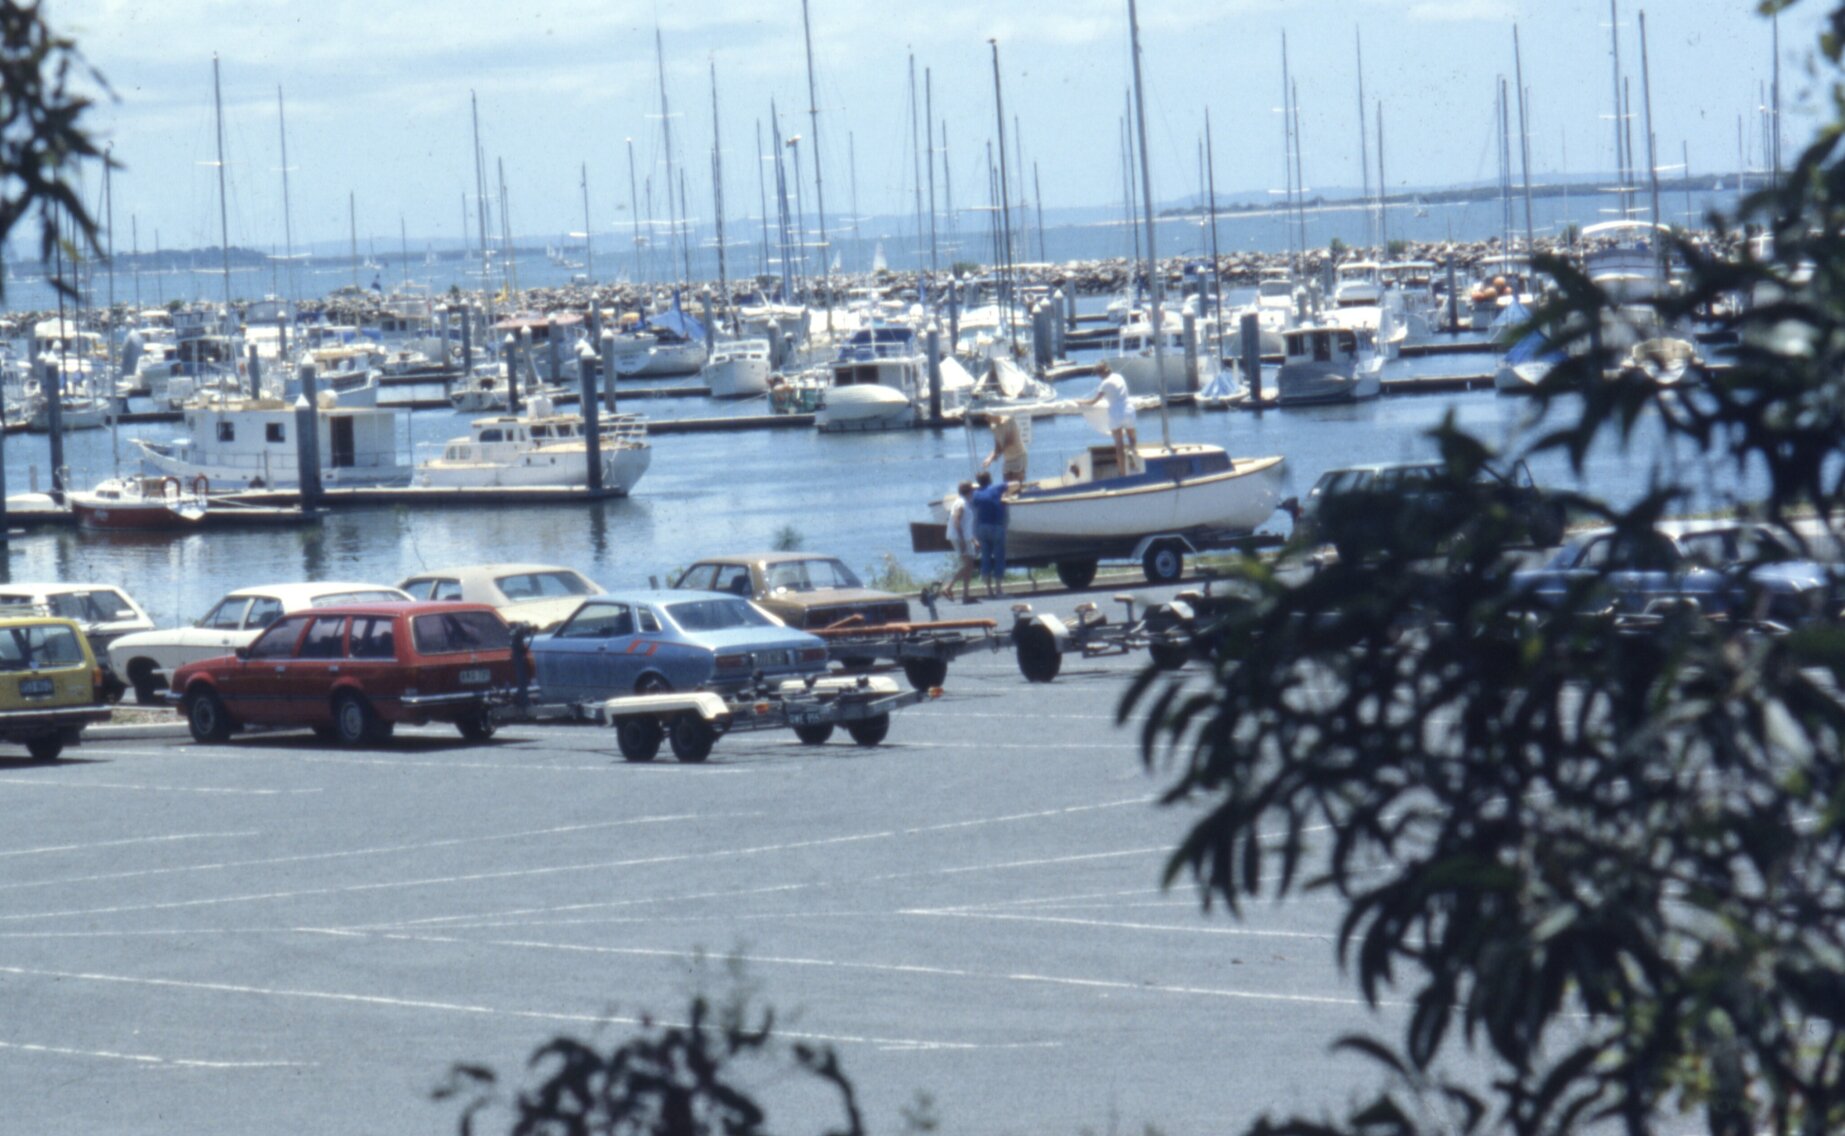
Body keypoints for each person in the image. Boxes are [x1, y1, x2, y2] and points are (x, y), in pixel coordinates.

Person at [1079, 361, 1138, 475]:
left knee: (1119, 445)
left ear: (1099, 373)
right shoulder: (1119, 377)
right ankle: (1132, 452)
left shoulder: (1104, 384)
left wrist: (1079, 401)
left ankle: (1122, 473)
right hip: (1128, 409)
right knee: (1132, 438)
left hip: (1115, 412)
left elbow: (1093, 401)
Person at [970, 470, 1012, 598]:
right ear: (990, 479)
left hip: (982, 528)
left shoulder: (976, 494)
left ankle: (988, 591)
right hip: (996, 526)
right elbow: (1011, 484)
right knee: (999, 557)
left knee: (985, 558)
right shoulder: (997, 489)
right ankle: (999, 589)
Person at [944, 481, 980, 603]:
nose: (974, 492)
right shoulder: (960, 503)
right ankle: (949, 587)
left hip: (965, 537)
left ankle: (966, 594)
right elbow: (957, 522)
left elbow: (966, 525)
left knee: (969, 566)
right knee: (967, 565)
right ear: (969, 491)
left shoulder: (965, 503)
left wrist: (973, 539)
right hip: (959, 538)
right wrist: (962, 540)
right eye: (973, 490)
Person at [981, 413, 1029, 484]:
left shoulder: (1010, 421)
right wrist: (989, 459)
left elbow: (1010, 441)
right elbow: (998, 446)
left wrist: (997, 454)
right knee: (1006, 485)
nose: (987, 419)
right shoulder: (993, 427)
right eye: (985, 418)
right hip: (1008, 459)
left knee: (1016, 484)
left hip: (1018, 456)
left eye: (988, 417)